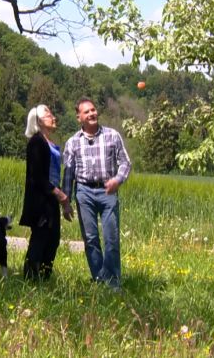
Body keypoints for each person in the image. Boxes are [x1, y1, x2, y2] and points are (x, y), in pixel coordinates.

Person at [61, 98, 131, 290]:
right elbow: (68, 174)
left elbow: (125, 163)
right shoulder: (73, 142)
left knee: (111, 238)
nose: (92, 114)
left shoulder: (112, 136)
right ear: (79, 118)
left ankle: (113, 283)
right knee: (91, 239)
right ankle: (100, 281)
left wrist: (118, 180)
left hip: (107, 190)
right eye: (87, 112)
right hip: (84, 192)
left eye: (93, 110)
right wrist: (65, 202)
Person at [20, 104, 70, 280]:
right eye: (48, 114)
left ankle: (44, 278)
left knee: (53, 239)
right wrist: (60, 195)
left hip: (51, 199)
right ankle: (30, 279)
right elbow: (37, 177)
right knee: (40, 239)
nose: (53, 117)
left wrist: (60, 199)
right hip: (41, 201)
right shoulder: (36, 142)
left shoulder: (50, 144)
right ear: (39, 121)